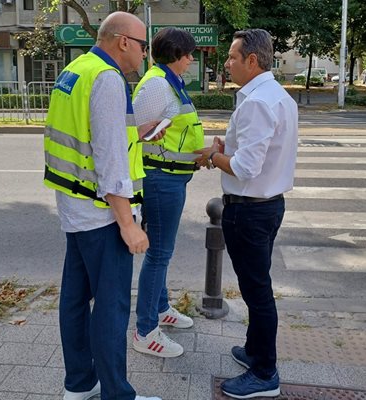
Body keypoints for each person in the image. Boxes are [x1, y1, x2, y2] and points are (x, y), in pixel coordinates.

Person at [44, 11, 162, 400]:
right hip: (101, 214)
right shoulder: (109, 78)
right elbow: (110, 159)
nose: (146, 55)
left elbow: (90, 137)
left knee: (75, 301)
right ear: (124, 42)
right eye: (144, 46)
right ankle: (117, 394)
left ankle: (79, 383)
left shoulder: (77, 68)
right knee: (111, 309)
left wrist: (137, 133)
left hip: (75, 206)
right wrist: (128, 224)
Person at [195, 29, 298, 399]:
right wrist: (228, 146)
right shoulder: (277, 96)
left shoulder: (256, 102)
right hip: (268, 206)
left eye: (232, 57)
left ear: (251, 61)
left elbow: (245, 167)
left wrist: (211, 156)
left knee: (258, 292)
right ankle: (255, 351)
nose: (226, 63)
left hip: (250, 211)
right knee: (258, 285)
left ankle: (265, 373)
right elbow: (259, 151)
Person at [131, 27, 204, 358]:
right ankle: (145, 331)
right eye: (188, 53)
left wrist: (198, 153)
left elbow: (175, 133)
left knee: (162, 252)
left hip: (174, 176)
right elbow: (136, 136)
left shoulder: (170, 83)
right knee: (159, 254)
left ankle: (160, 310)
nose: (191, 59)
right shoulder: (157, 85)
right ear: (175, 55)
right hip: (161, 179)